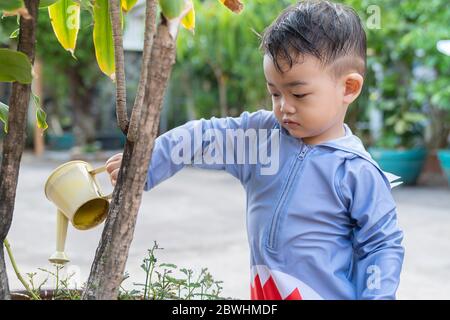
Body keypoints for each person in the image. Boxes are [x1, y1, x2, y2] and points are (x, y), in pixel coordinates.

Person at [105, 0, 404, 299]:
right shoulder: (261, 140)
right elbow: (205, 136)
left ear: (348, 88)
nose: (284, 107)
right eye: (275, 92)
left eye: (299, 94)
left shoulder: (357, 171)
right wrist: (148, 160)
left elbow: (381, 246)